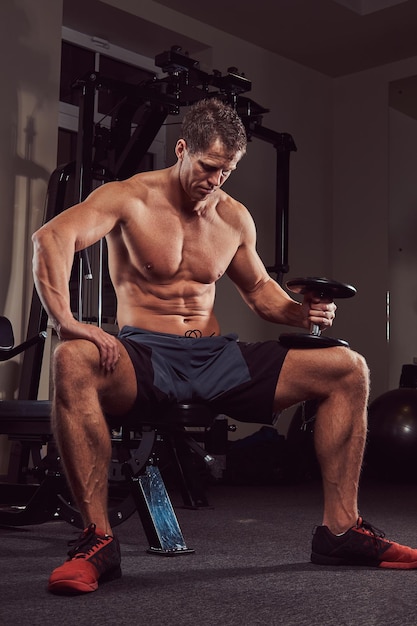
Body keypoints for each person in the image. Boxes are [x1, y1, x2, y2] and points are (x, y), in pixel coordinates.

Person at [32, 97, 417, 595]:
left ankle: (341, 531)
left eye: (227, 172)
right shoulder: (128, 197)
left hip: (214, 355)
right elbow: (52, 238)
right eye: (209, 167)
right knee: (72, 358)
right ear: (182, 148)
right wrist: (67, 322)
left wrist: (304, 313)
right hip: (146, 355)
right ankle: (97, 541)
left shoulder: (234, 218)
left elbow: (260, 292)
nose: (215, 181)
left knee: (348, 367)